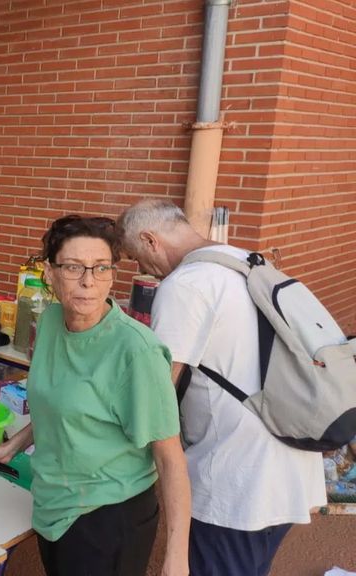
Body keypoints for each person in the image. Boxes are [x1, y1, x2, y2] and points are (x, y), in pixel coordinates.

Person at [0, 215, 190, 576]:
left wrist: (176, 556)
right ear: (51, 273)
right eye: (73, 267)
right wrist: (11, 447)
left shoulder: (136, 351)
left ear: (112, 274)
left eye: (101, 268)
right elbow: (55, 404)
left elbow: (170, 458)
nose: (88, 282)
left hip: (109, 516)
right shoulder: (52, 322)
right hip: (55, 502)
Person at [117, 199, 326, 576]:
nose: (142, 270)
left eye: (136, 257)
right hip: (290, 457)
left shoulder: (186, 284)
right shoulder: (247, 262)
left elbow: (160, 388)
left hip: (237, 478)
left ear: (150, 240)